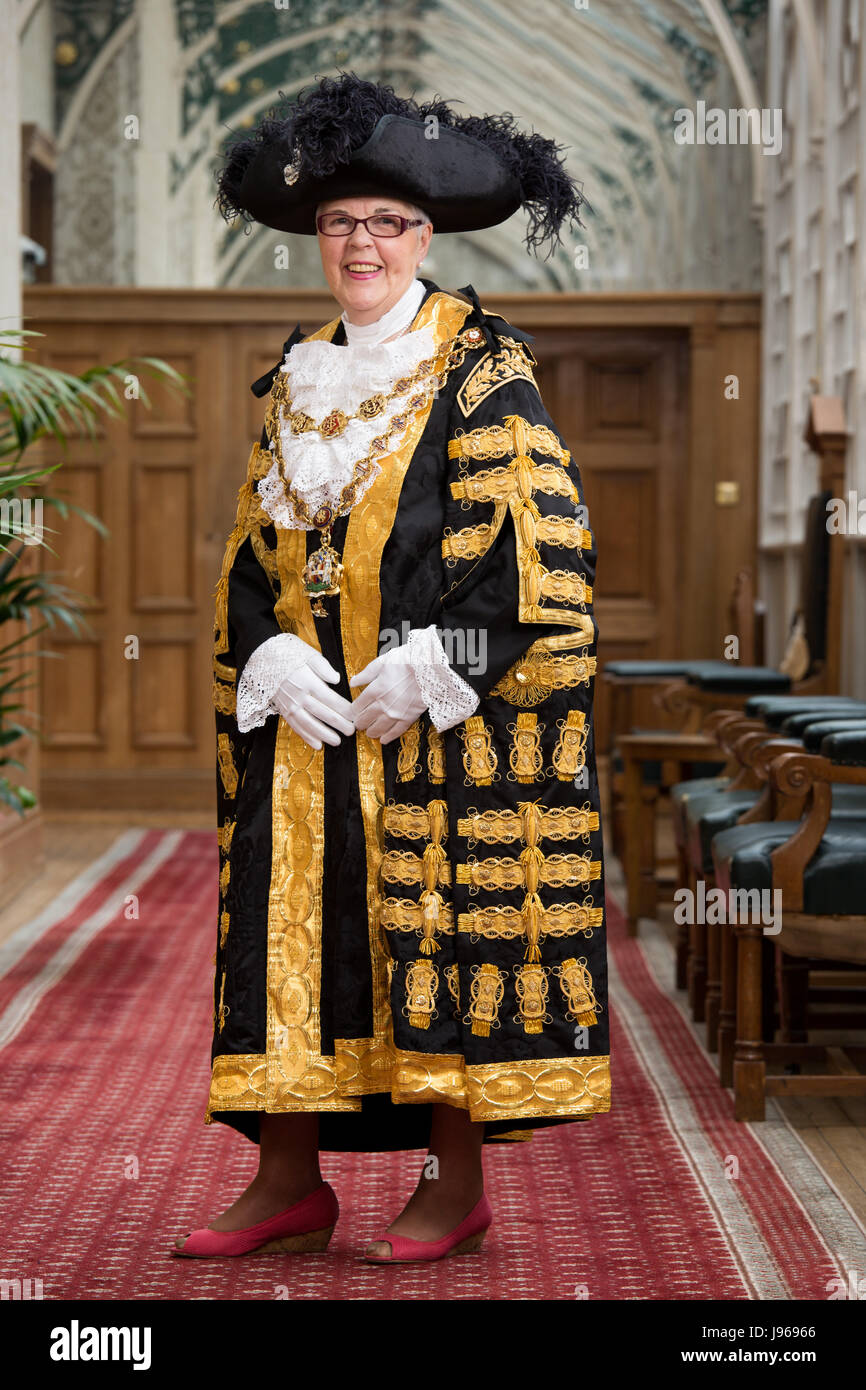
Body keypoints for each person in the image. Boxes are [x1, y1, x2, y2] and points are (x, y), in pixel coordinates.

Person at [173, 72, 610, 1264]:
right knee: (288, 931)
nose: (358, 243)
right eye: (337, 222)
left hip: (428, 725)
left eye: (383, 222)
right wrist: (267, 648)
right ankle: (285, 1179)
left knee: (440, 937)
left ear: (424, 237)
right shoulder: (297, 371)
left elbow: (540, 565)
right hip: (308, 723)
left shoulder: (480, 369)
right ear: (315, 238)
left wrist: (434, 664)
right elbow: (252, 549)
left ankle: (450, 1183)